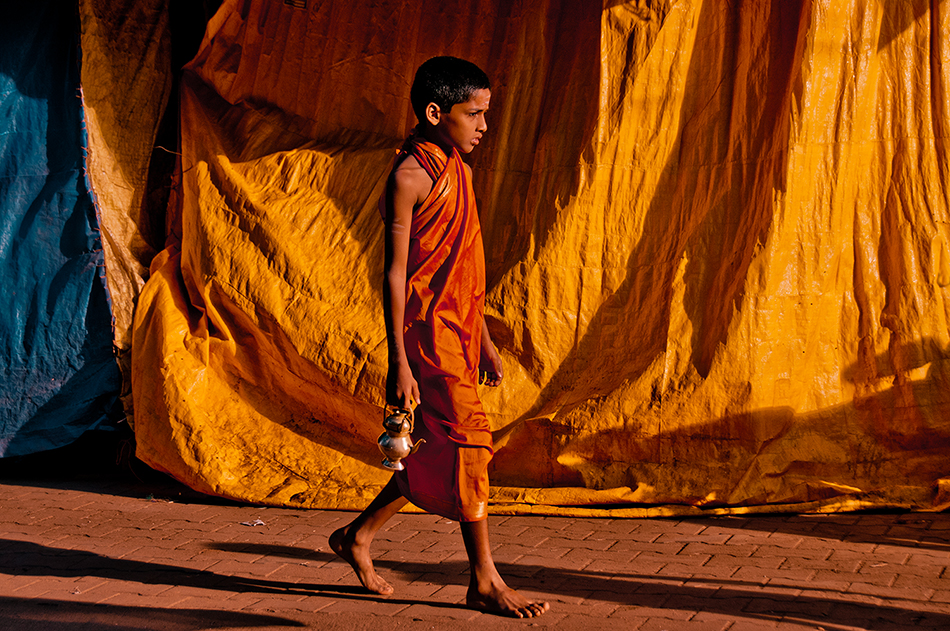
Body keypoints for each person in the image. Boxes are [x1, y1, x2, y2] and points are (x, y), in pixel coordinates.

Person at [330, 56, 550, 618]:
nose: (482, 126)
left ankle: (357, 535)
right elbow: (398, 274)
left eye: (485, 114)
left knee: (435, 450)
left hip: (458, 330)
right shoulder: (408, 178)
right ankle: (484, 579)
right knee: (472, 442)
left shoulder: (461, 171)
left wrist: (484, 339)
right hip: (426, 340)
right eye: (473, 114)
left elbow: (460, 270)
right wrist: (397, 360)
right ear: (435, 113)